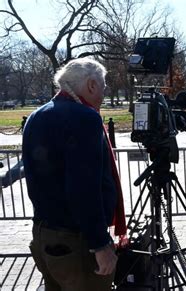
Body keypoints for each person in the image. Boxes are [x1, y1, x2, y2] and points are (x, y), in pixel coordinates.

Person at [22, 58, 126, 291]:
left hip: (45, 234)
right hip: (77, 242)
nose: (104, 93)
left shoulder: (37, 115)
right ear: (91, 85)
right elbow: (83, 188)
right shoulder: (84, 118)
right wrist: (100, 245)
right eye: (103, 86)